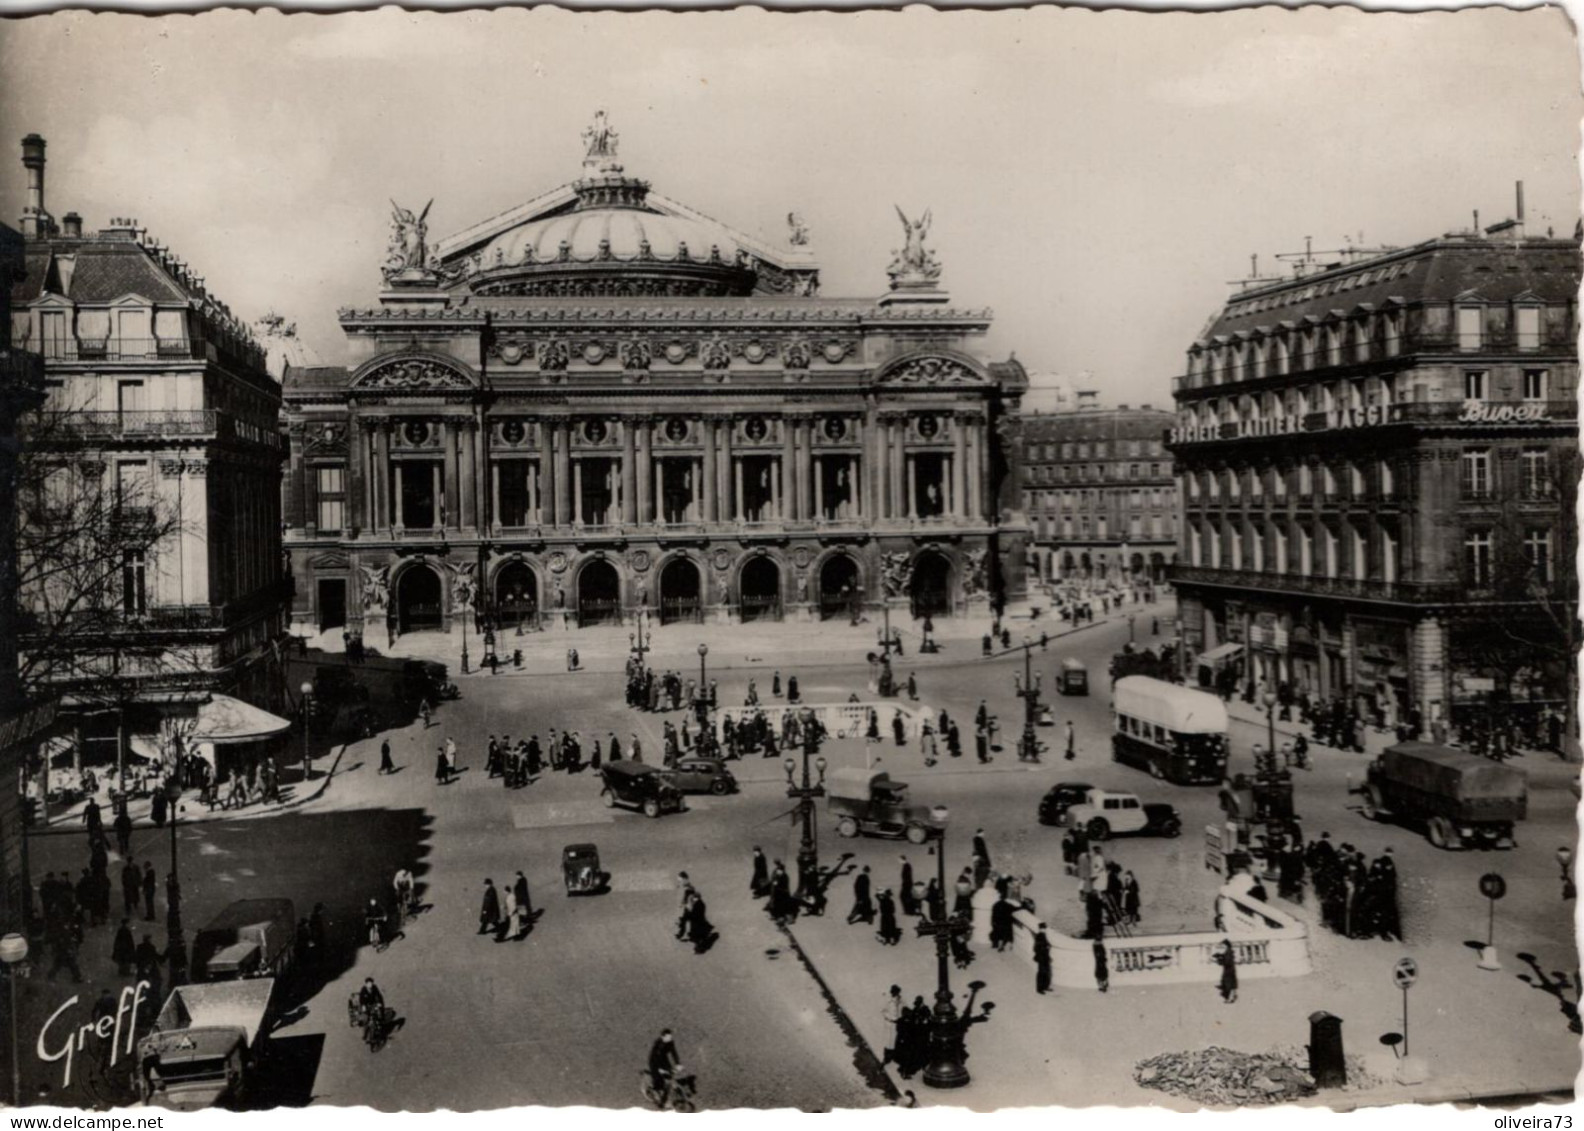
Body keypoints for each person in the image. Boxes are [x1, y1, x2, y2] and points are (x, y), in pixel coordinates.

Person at [648, 1029, 682, 1103]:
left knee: (670, 1073)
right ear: (662, 1037)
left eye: (671, 1037)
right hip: (654, 1061)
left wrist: (678, 1063)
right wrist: (659, 1069)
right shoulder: (658, 1043)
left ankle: (671, 1088)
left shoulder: (671, 1042)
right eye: (668, 1037)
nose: (670, 1038)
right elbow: (655, 1056)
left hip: (663, 1059)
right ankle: (655, 1093)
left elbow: (674, 1052)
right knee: (658, 1078)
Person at [881, 986, 905, 1065]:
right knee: (888, 1042)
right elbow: (883, 1011)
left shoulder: (901, 1001)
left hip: (898, 1024)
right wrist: (890, 1017)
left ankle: (895, 1057)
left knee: (896, 1041)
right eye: (893, 992)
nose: (894, 994)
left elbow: (904, 1009)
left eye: (895, 992)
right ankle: (886, 1058)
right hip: (890, 1023)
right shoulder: (888, 1001)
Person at [1216, 938, 1239, 1003]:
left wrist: (1218, 961)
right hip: (1231, 970)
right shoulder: (1229, 951)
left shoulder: (1228, 952)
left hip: (1228, 970)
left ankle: (1230, 998)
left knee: (1228, 984)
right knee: (1232, 984)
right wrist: (1220, 956)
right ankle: (1233, 996)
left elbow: (1226, 962)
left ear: (1226, 945)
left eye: (1223, 945)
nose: (1222, 947)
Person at [512, 871, 533, 939]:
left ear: (519, 875)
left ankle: (524, 921)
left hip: (521, 899)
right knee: (524, 910)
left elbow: (520, 890)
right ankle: (526, 919)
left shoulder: (521, 881)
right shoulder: (522, 880)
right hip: (523, 898)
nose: (516, 877)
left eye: (517, 875)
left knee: (522, 910)